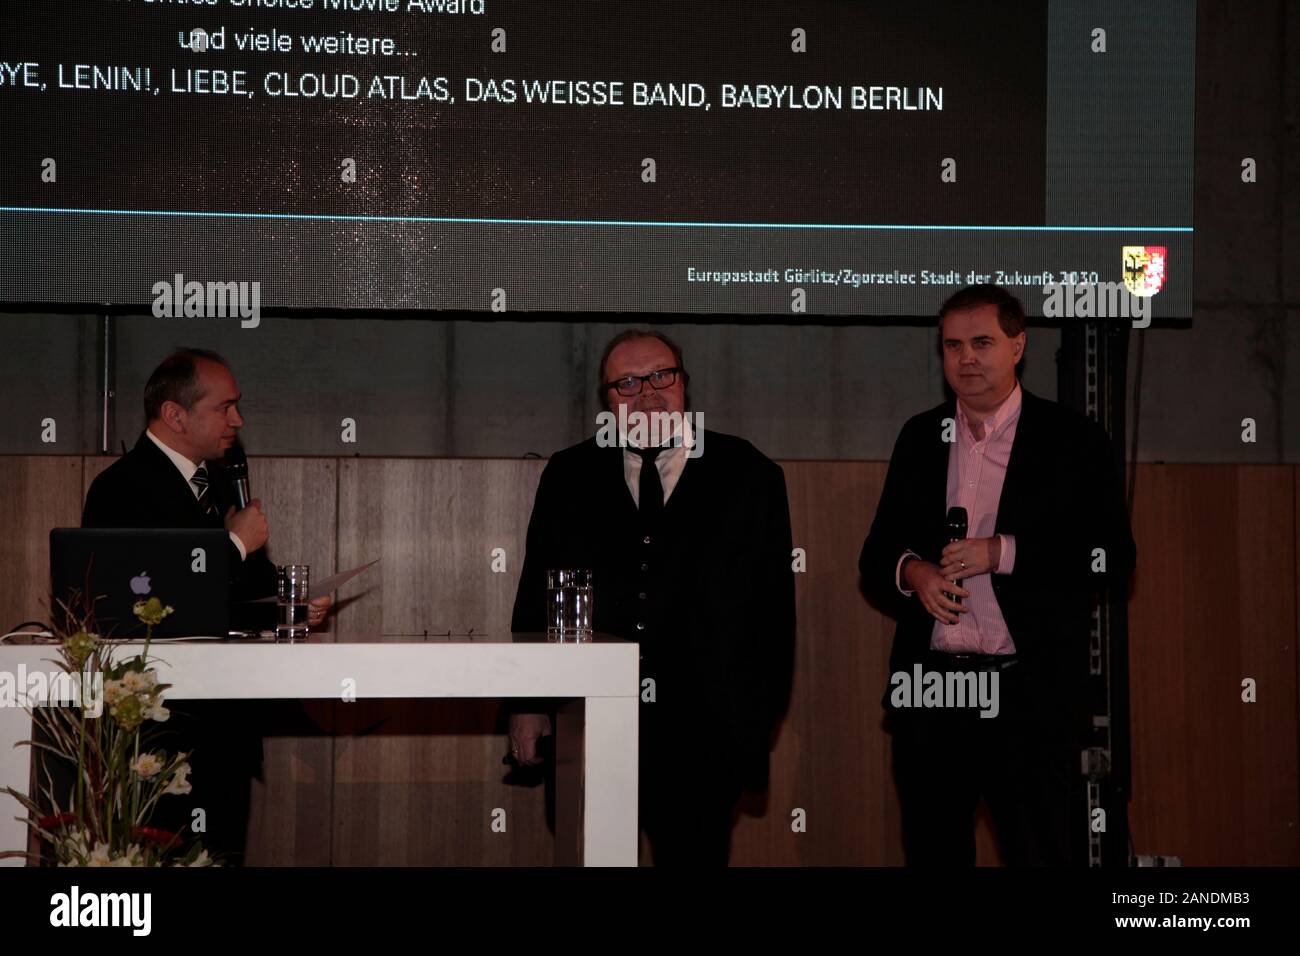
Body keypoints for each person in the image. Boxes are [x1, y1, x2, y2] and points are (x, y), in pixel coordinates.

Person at [859, 285, 1136, 866]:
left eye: (981, 342)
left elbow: (1113, 557)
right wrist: (914, 573)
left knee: (1040, 852)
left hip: (1027, 696)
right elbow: (876, 556)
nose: (965, 358)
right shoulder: (920, 436)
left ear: (1018, 345)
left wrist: (1002, 552)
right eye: (952, 345)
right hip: (932, 692)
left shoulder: (1073, 440)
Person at [508, 329, 795, 865]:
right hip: (588, 723)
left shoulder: (750, 475)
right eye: (628, 383)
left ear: (684, 383)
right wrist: (527, 705)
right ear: (607, 401)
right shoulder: (568, 474)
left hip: (704, 734)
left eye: (662, 376)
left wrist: (753, 732)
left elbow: (774, 618)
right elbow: (535, 595)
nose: (648, 393)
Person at [77, 347, 332, 863]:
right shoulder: (120, 488)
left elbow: (238, 592)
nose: (238, 420)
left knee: (220, 854)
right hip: (160, 731)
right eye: (225, 407)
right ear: (175, 415)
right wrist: (233, 544)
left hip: (226, 721)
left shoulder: (218, 480)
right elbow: (140, 605)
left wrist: (289, 604)